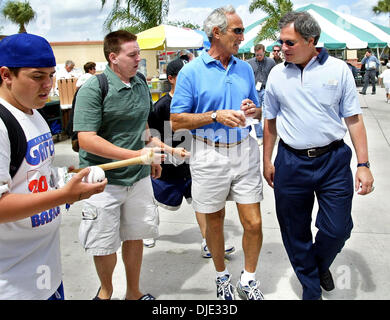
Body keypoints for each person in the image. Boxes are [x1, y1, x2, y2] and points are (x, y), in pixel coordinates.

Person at [263, 11, 374, 300]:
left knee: (338, 228)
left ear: (311, 41)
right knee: (294, 229)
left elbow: (354, 119)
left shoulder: (338, 71)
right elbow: (270, 121)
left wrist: (363, 164)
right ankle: (311, 289)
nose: (282, 48)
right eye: (281, 42)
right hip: (290, 161)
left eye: (289, 43)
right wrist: (267, 159)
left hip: (333, 161)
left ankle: (318, 263)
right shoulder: (277, 73)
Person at [0, 33, 107, 300]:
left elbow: (34, 176)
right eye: (37, 76)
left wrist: (65, 181)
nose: (48, 84)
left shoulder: (34, 114)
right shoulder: (2, 123)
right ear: (6, 75)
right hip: (13, 283)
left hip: (46, 272)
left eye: (51, 74)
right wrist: (63, 196)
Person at [171, 5, 264, 300]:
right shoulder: (190, 72)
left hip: (245, 149)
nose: (242, 37)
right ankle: (222, 276)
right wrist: (214, 116)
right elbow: (175, 120)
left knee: (255, 222)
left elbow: (260, 111)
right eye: (237, 31)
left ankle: (248, 280)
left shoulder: (245, 67)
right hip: (208, 153)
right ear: (216, 33)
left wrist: (255, 110)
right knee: (214, 220)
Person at [73, 30, 164, 300]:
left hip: (138, 177)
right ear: (113, 58)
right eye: (132, 54)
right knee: (104, 243)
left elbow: (143, 125)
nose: (139, 59)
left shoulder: (140, 84)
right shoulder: (94, 87)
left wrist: (150, 152)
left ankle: (133, 293)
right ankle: (106, 292)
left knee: (135, 235)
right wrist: (134, 156)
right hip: (103, 181)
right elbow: (86, 139)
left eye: (138, 53)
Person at [146, 58, 235, 258]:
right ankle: (148, 231)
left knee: (200, 201)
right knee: (152, 199)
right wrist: (170, 151)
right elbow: (150, 136)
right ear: (171, 79)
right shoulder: (161, 106)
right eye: (183, 76)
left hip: (191, 162)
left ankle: (208, 243)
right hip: (166, 165)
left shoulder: (194, 103)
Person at [247, 43, 275, 145]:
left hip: (267, 89)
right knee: (256, 113)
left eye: (260, 55)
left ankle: (269, 134)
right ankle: (259, 136)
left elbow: (274, 76)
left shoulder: (271, 62)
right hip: (255, 91)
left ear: (264, 52)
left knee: (269, 113)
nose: (259, 57)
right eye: (257, 55)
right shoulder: (249, 63)